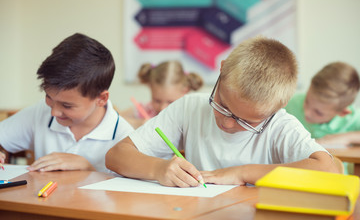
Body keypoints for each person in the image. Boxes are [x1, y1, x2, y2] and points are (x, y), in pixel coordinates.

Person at [105, 36, 338, 188]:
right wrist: (158, 168)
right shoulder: (189, 107)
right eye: (222, 105)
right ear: (222, 69)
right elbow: (116, 156)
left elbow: (328, 170)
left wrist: (242, 173)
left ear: (278, 107)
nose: (227, 123)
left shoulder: (280, 126)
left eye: (246, 121)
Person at [0, 33, 134, 172]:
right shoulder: (41, 112)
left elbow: (125, 191)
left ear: (101, 99)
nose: (54, 112)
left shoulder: (124, 138)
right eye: (48, 97)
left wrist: (88, 169)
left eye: (67, 105)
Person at [285, 62, 360, 174]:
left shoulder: (352, 117)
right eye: (307, 101)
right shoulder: (290, 103)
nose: (307, 113)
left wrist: (346, 137)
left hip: (334, 179)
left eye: (318, 112)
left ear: (342, 113)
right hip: (292, 175)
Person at [118, 60, 203, 128]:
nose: (162, 108)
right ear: (150, 87)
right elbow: (115, 119)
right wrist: (137, 123)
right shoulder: (143, 110)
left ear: (186, 90)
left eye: (170, 102)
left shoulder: (193, 116)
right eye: (157, 101)